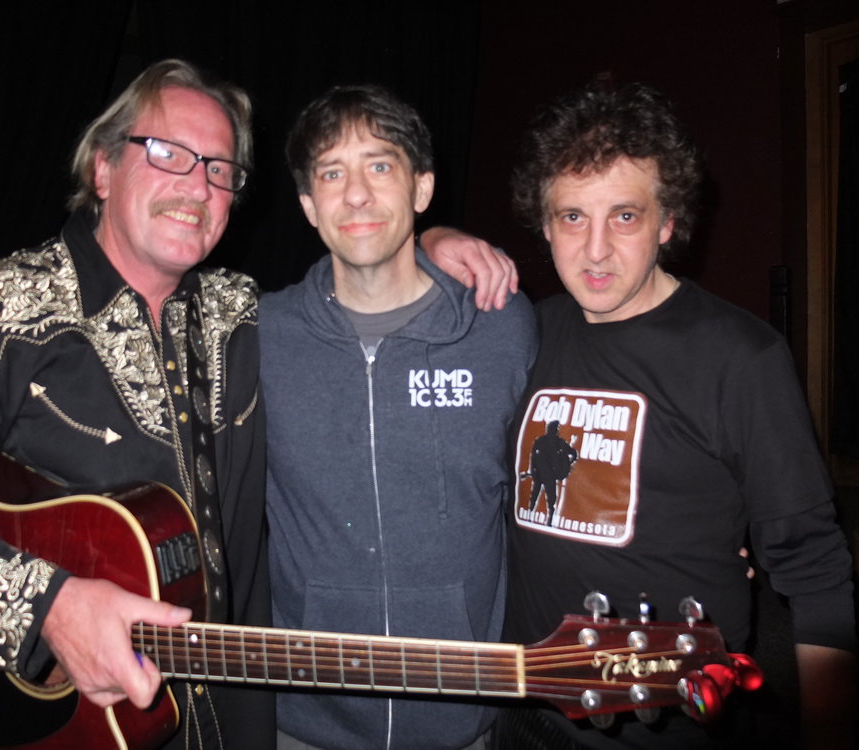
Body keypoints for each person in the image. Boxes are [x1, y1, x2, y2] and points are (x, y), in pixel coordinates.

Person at [0, 59, 273, 750]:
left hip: (232, 724)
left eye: (219, 168)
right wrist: (46, 608)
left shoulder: (252, 318)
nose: (196, 185)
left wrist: (432, 247)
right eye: (168, 153)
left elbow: (362, 306)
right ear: (103, 170)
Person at [435, 80, 857, 749]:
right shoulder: (521, 337)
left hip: (665, 723)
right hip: (523, 709)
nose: (596, 250)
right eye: (573, 217)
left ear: (667, 223)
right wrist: (435, 237)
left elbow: (816, 571)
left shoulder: (740, 357)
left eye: (624, 217)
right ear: (544, 226)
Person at [258, 85, 537, 750]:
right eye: (333, 173)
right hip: (305, 724)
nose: (356, 195)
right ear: (307, 206)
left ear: (422, 189)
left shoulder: (503, 328)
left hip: (461, 717)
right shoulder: (259, 337)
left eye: (380, 166)